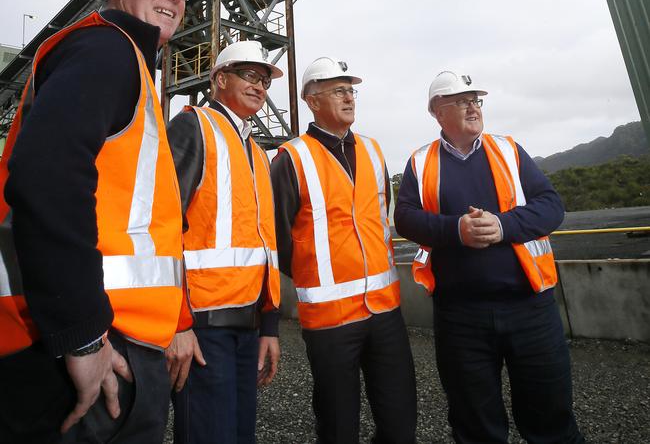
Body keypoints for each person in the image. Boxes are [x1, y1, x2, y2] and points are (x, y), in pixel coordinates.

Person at [0, 0, 206, 444]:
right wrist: (83, 336)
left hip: (114, 330)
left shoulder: (130, 65)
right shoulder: (104, 49)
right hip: (86, 336)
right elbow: (46, 177)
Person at [395, 70, 585, 444]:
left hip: (531, 308)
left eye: (475, 100)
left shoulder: (510, 150)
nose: (472, 107)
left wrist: (504, 225)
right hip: (461, 318)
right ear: (437, 111)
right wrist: (456, 230)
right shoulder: (420, 163)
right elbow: (406, 218)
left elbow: (551, 206)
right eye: (461, 101)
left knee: (551, 419)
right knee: (475, 425)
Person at [271, 56, 417, 444]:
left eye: (351, 90)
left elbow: (379, 221)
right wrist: (312, 271)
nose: (349, 98)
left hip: (384, 309)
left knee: (400, 420)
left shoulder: (373, 150)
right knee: (338, 426)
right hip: (330, 319)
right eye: (339, 90)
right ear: (312, 100)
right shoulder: (292, 158)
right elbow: (276, 236)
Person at [166, 40, 282, 444]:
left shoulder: (257, 151)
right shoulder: (192, 126)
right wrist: (177, 324)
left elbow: (265, 245)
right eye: (250, 76)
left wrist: (269, 326)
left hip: (246, 328)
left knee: (239, 434)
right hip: (203, 327)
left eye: (265, 80)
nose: (260, 87)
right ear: (219, 79)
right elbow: (162, 227)